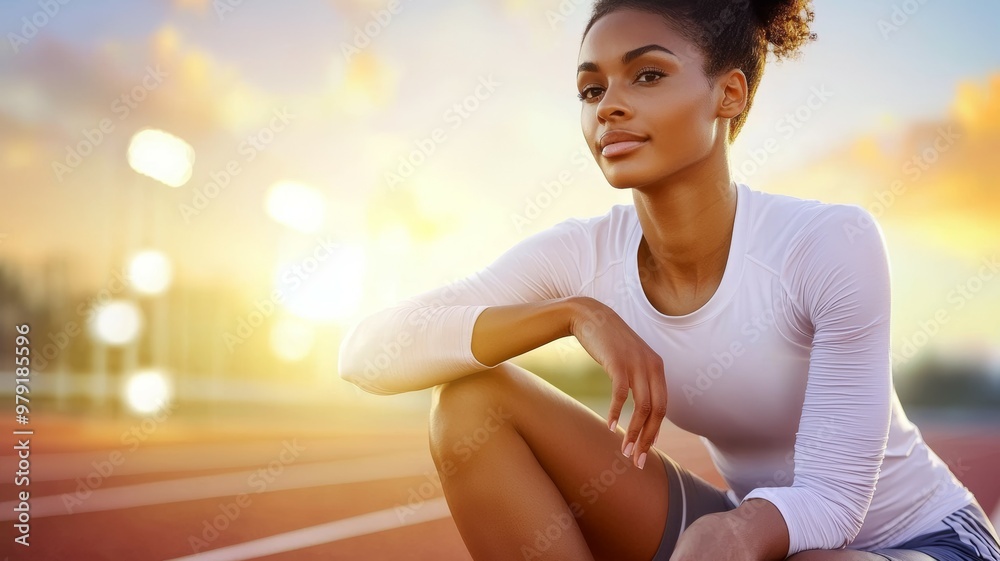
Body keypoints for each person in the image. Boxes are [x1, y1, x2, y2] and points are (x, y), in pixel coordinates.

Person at [338, 0, 1000, 559]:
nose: (610, 108)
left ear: (728, 93)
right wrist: (572, 314)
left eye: (646, 76)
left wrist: (736, 530)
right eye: (592, 89)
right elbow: (366, 353)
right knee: (469, 405)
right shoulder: (586, 255)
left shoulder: (828, 242)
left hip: (922, 539)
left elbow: (835, 502)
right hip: (761, 536)